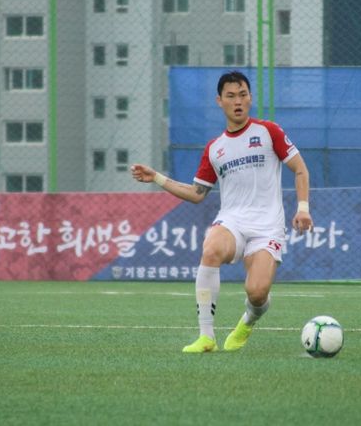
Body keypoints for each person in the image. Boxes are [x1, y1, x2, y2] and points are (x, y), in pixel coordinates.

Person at [131, 70, 313, 353]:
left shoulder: (269, 132)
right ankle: (206, 337)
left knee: (257, 293)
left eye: (242, 95)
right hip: (232, 223)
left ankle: (249, 319)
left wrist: (303, 208)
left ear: (250, 98)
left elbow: (300, 169)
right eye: (230, 96)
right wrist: (157, 177)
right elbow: (196, 193)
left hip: (267, 228)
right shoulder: (215, 149)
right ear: (220, 101)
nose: (237, 101)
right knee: (211, 247)